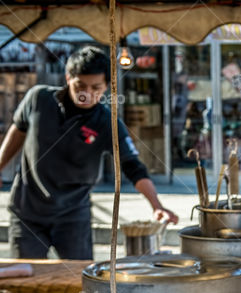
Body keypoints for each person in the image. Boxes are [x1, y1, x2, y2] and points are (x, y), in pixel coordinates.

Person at [0, 46, 178, 260]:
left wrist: (157, 206)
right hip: (27, 211)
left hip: (73, 215)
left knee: (78, 280)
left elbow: (133, 167)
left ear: (106, 87)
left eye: (95, 87)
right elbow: (17, 132)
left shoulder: (107, 122)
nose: (87, 94)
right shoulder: (38, 98)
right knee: (27, 278)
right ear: (68, 78)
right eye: (80, 86)